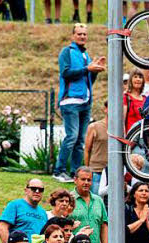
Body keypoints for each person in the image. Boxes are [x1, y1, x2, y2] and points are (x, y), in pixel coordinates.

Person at [53, 25, 104, 183]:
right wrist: (86, 68)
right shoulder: (67, 52)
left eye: (85, 34)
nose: (82, 37)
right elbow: (66, 73)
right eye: (79, 34)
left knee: (80, 139)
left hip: (85, 101)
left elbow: (88, 79)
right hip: (70, 101)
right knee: (72, 136)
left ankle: (75, 173)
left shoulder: (85, 55)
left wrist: (94, 71)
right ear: (73, 36)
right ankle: (59, 170)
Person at [0, 179, 49, 243]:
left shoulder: (43, 212)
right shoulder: (15, 205)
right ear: (26, 190)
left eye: (41, 189)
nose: (37, 191)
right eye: (34, 188)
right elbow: (2, 229)